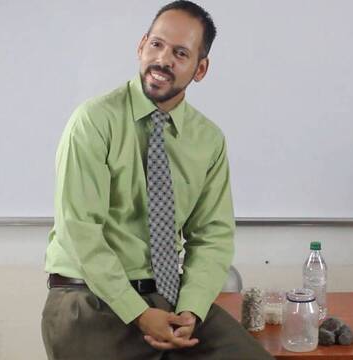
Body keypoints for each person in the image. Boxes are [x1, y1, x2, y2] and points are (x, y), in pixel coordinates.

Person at [41, 1, 273, 359]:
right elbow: (80, 228)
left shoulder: (208, 140)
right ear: (141, 45)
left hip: (170, 298)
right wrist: (137, 312)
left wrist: (192, 309)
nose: (163, 60)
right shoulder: (93, 122)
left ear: (201, 69)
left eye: (180, 53)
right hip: (90, 299)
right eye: (157, 45)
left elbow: (212, 234)